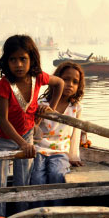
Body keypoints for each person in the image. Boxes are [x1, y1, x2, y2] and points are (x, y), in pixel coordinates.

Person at [0, 34, 64, 217]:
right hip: (2, 137)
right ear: (7, 61)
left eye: (23, 59)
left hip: (27, 134)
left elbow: (59, 83)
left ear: (31, 59)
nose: (19, 64)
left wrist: (50, 109)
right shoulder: (4, 85)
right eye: (13, 60)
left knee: (23, 181)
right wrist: (22, 144)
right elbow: (3, 120)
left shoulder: (38, 78)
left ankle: (20, 217)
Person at [31, 61, 85, 189]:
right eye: (65, 80)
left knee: (57, 175)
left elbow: (76, 133)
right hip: (39, 149)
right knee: (37, 178)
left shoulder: (75, 107)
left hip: (60, 151)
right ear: (56, 80)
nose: (69, 85)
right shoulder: (42, 103)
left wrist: (74, 156)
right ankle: (38, 208)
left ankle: (57, 208)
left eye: (75, 82)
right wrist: (39, 116)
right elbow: (33, 130)